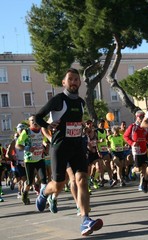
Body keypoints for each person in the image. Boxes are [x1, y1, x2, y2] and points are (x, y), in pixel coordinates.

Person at [35, 68, 103, 236]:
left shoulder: (80, 102)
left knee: (82, 180)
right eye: (70, 79)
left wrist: (83, 130)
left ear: (80, 83)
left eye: (76, 79)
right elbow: (38, 117)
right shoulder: (58, 100)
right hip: (60, 147)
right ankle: (44, 193)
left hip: (77, 146)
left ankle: (85, 219)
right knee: (59, 184)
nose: (73, 82)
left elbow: (75, 123)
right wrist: (47, 125)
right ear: (64, 83)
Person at [15, 115, 47, 205]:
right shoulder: (26, 132)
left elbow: (44, 140)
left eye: (36, 120)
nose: (34, 122)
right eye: (32, 120)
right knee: (30, 181)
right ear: (29, 123)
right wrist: (28, 148)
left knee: (44, 180)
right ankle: (25, 194)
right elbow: (18, 145)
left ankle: (44, 199)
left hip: (40, 158)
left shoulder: (42, 130)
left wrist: (45, 145)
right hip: (29, 160)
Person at [123, 110, 148, 191]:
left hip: (144, 149)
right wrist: (132, 143)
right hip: (136, 150)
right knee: (139, 168)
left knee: (144, 167)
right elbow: (125, 136)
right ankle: (132, 170)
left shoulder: (145, 127)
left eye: (143, 117)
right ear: (137, 117)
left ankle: (141, 184)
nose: (142, 118)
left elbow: (147, 137)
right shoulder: (132, 126)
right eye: (141, 117)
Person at [5, 123, 27, 199]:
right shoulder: (14, 141)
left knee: (22, 179)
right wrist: (13, 158)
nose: (22, 131)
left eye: (23, 130)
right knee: (22, 178)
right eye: (20, 130)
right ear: (18, 131)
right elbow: (7, 154)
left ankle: (21, 192)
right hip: (18, 162)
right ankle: (22, 193)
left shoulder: (27, 139)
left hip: (26, 161)